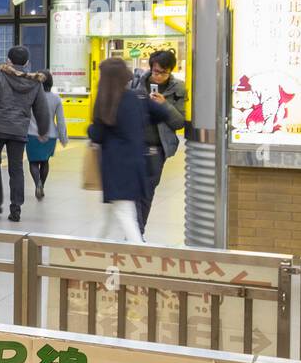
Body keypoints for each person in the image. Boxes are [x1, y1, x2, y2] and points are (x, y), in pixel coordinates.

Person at [89, 57, 174, 243]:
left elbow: (97, 134)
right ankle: (92, 249)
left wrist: (91, 129)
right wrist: (141, 122)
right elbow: (163, 113)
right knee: (109, 214)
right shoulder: (138, 97)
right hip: (137, 163)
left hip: (115, 167)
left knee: (125, 214)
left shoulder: (105, 101)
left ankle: (139, 255)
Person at [0, 45, 51, 222]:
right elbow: (42, 109)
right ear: (27, 63)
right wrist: (43, 130)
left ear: (9, 60)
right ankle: (16, 208)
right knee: (16, 169)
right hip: (18, 130)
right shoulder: (35, 83)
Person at [130, 49, 187, 235]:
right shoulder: (136, 84)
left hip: (157, 148)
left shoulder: (178, 88)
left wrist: (165, 105)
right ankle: (134, 232)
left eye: (164, 72)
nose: (158, 76)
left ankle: (137, 232)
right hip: (133, 145)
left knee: (146, 191)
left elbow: (178, 123)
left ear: (171, 70)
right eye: (156, 71)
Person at [26, 70, 69, 200]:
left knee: (33, 162)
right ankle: (42, 186)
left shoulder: (31, 97)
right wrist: (63, 138)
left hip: (32, 134)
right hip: (50, 136)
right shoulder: (56, 99)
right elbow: (60, 121)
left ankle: (37, 183)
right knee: (45, 161)